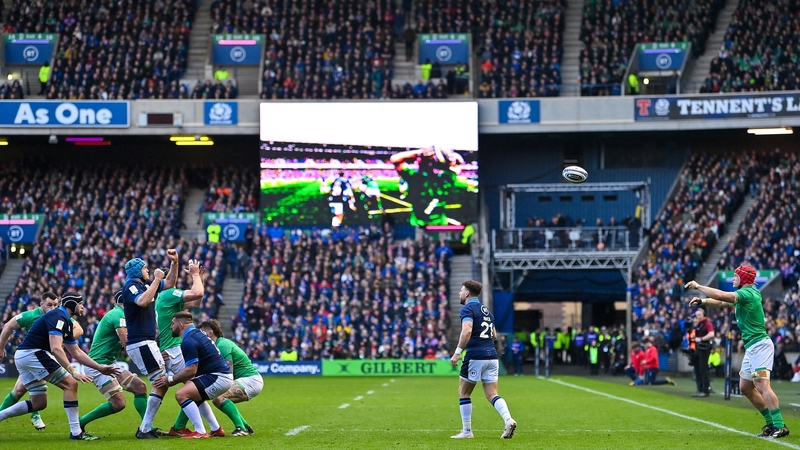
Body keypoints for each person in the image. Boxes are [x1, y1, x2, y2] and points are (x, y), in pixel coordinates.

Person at [687, 265, 789, 438]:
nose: (733, 279)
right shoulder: (748, 293)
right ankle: (771, 424)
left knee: (762, 385)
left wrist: (698, 286)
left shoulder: (747, 293)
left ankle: (780, 426)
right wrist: (703, 301)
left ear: (744, 279)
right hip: (752, 347)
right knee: (745, 387)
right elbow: (720, 301)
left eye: (735, 276)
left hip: (760, 346)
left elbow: (720, 295)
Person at [0, 293, 119, 440]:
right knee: (71, 384)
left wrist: (99, 368)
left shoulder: (65, 320)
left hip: (25, 354)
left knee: (39, 403)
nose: (83, 306)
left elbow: (76, 352)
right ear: (72, 305)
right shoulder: (59, 317)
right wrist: (73, 371)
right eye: (80, 303)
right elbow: (56, 348)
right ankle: (76, 432)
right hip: (33, 354)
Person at [0, 291, 84, 431]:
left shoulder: (59, 315)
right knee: (20, 390)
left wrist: (57, 341)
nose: (52, 308)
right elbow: (8, 326)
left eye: (55, 305)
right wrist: (1, 348)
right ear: (41, 304)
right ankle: (71, 430)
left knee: (33, 396)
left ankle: (35, 414)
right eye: (49, 305)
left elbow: (79, 329)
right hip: (32, 354)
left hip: (40, 355)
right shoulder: (30, 315)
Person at [122, 252, 179, 439]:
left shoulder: (145, 284)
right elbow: (142, 301)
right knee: (161, 382)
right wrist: (155, 280)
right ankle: (145, 429)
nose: (148, 271)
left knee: (161, 383)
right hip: (140, 342)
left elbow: (170, 283)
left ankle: (146, 428)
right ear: (138, 271)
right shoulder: (131, 285)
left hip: (147, 341)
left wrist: (174, 262)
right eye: (145, 269)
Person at [450, 280, 516, 439]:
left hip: (475, 355)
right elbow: (494, 335)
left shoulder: (467, 309)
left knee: (464, 392)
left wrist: (457, 352)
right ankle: (508, 419)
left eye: (461, 290)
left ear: (467, 294)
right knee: (492, 394)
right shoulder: (487, 310)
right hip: (492, 356)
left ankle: (467, 431)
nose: (459, 293)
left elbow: (466, 331)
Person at [153, 312, 233, 439]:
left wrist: (169, 379)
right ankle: (216, 429)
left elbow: (191, 370)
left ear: (181, 325)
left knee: (181, 394)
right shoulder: (196, 335)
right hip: (221, 375)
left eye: (173, 324)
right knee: (195, 396)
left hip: (218, 377)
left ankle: (200, 431)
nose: (171, 327)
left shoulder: (189, 340)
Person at [79, 290, 149, 430]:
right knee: (119, 404)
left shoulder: (122, 315)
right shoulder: (118, 315)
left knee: (140, 387)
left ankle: (146, 427)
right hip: (97, 364)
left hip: (109, 363)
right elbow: (127, 343)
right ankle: (80, 423)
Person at [155, 258, 206, 437]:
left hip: (172, 348)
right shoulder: (168, 295)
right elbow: (198, 294)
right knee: (193, 389)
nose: (175, 280)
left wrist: (200, 277)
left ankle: (178, 427)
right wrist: (195, 275)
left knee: (192, 389)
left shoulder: (166, 299)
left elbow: (196, 303)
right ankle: (206, 429)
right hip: (176, 348)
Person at [197, 319, 262, 436]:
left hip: (250, 380)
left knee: (219, 397)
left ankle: (240, 428)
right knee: (217, 398)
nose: (200, 336)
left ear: (210, 332)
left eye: (202, 332)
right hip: (246, 380)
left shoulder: (222, 345)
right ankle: (246, 427)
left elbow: (228, 372)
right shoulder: (217, 345)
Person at [690, 308, 715, 398]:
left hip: (704, 348)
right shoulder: (699, 324)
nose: (698, 317)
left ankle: (705, 390)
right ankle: (700, 389)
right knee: (697, 369)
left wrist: (701, 339)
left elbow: (711, 334)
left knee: (703, 369)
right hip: (698, 348)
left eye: (699, 315)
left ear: (703, 315)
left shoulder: (707, 323)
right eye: (697, 315)